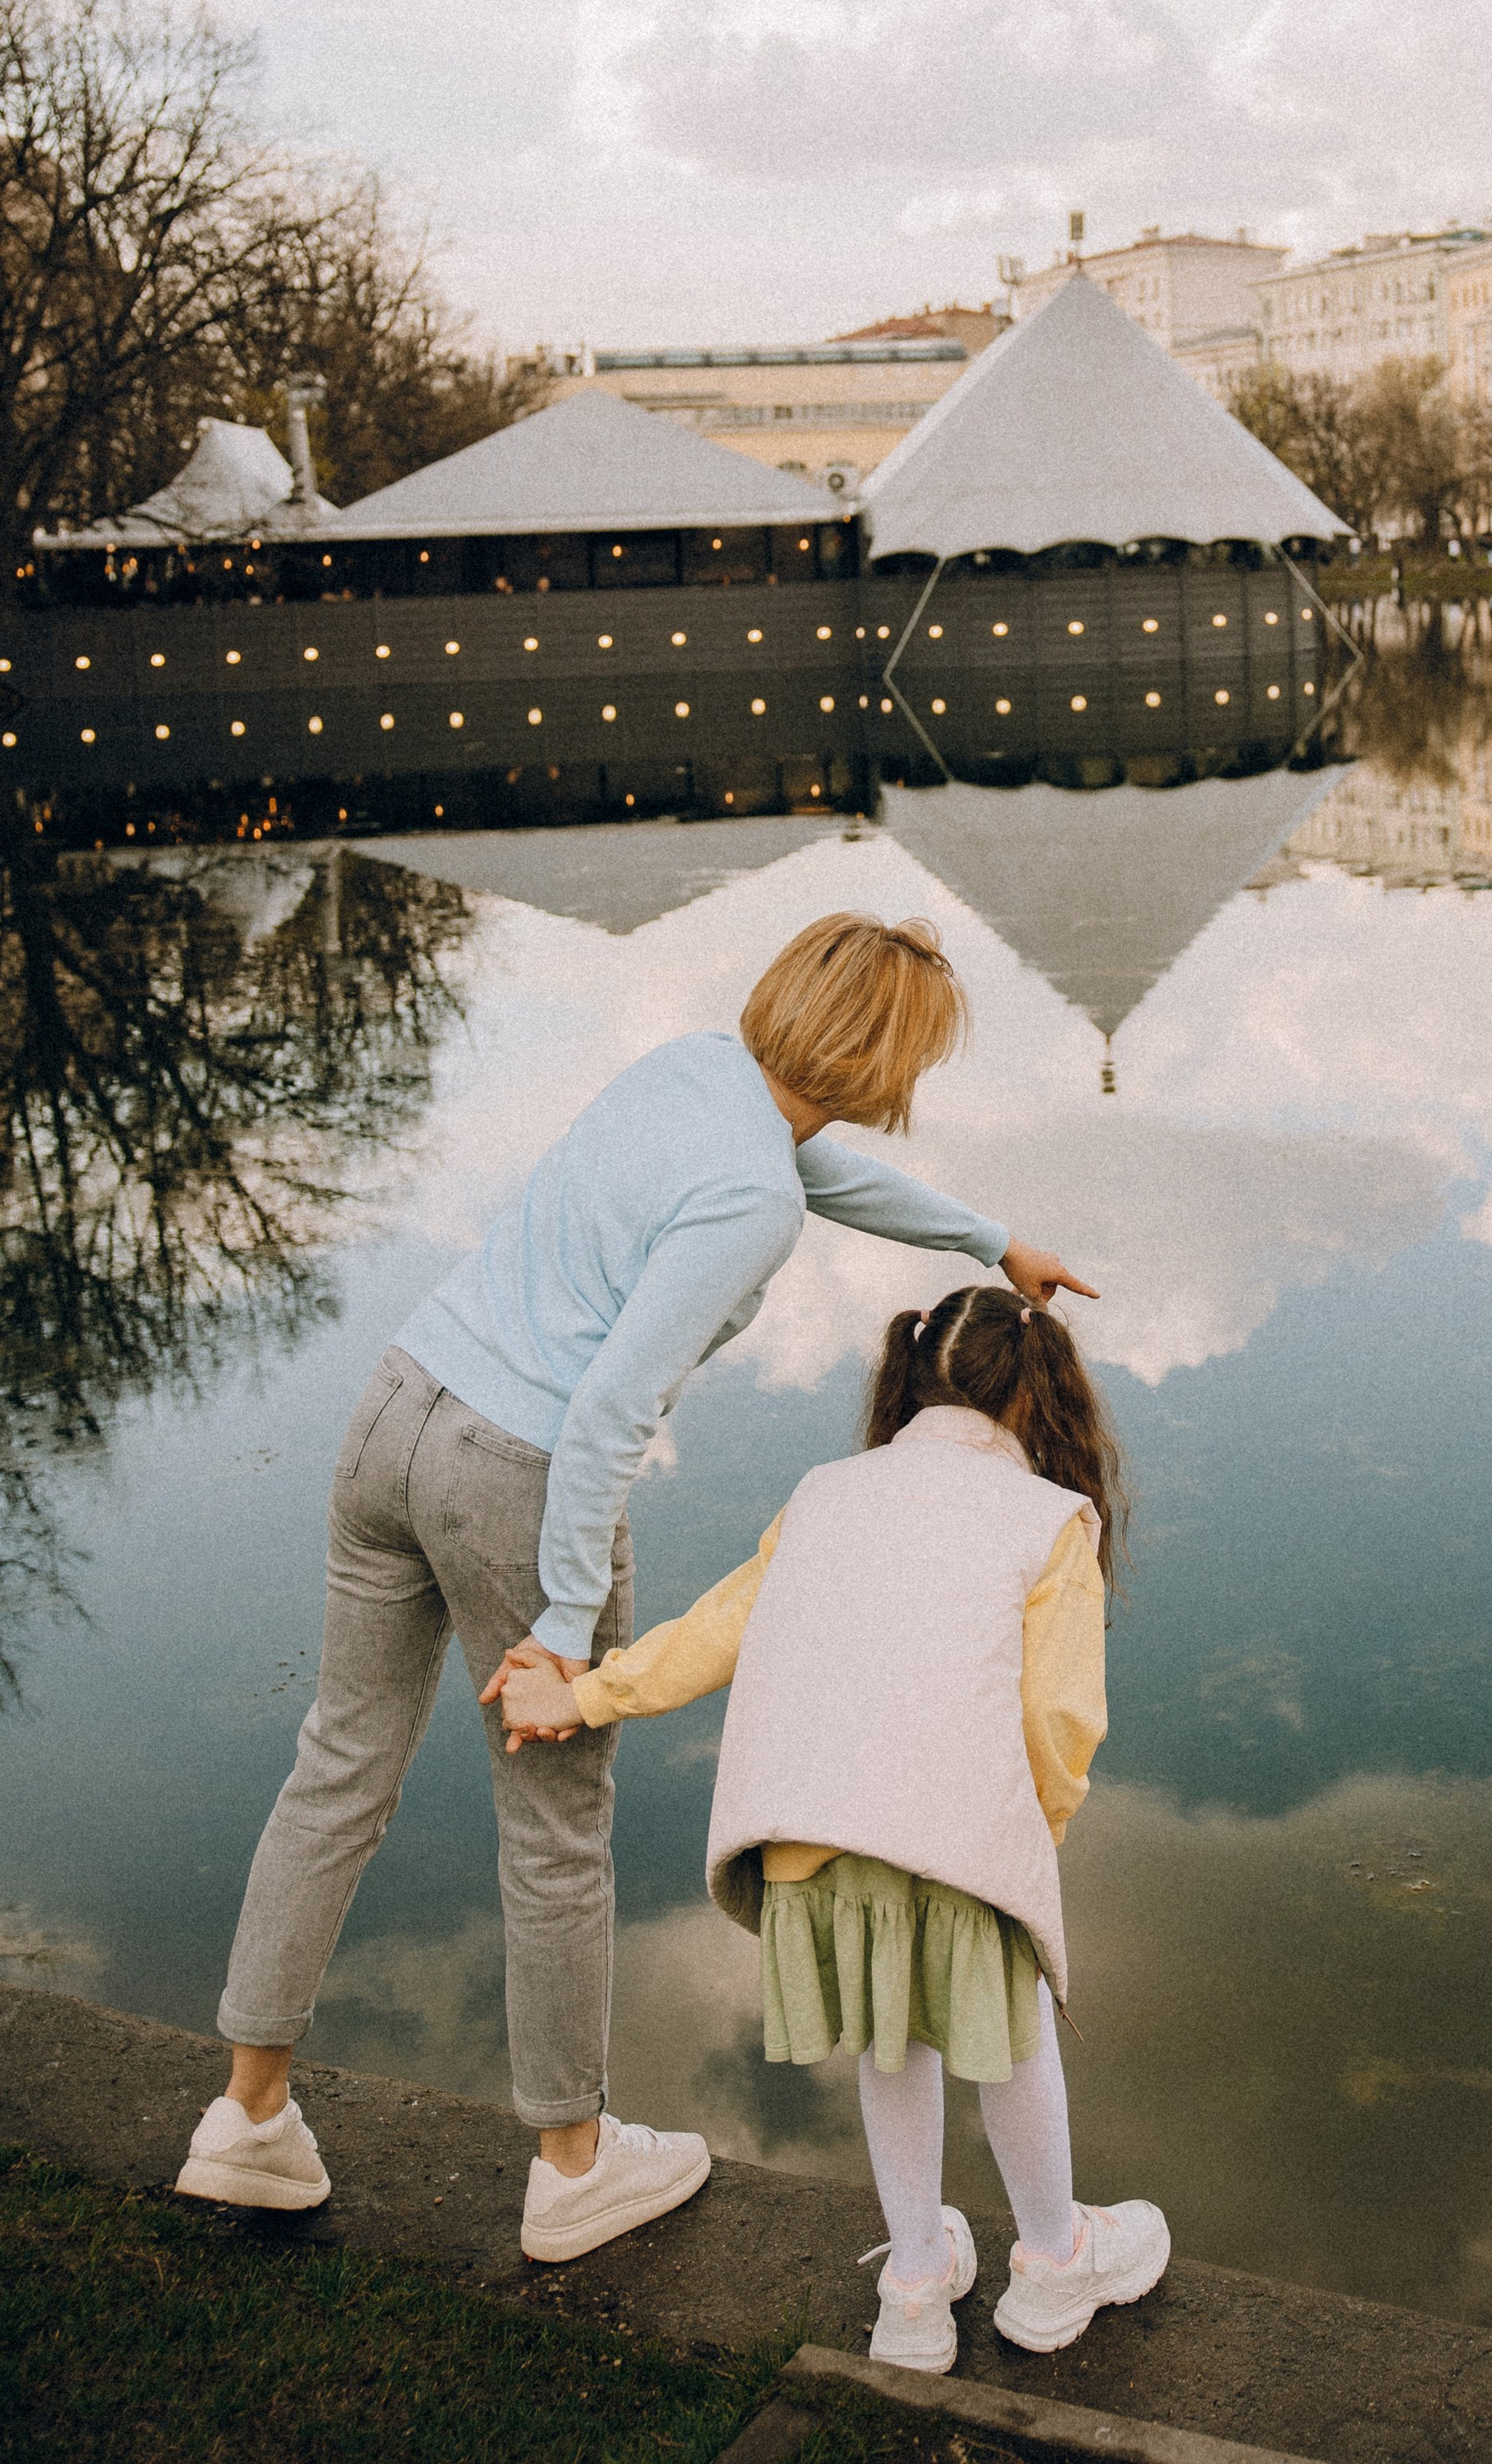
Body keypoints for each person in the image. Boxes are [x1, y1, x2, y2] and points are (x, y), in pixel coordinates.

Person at [177, 912, 1092, 2268]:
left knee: (339, 1767)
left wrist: (983, 1235)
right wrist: (559, 1626)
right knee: (555, 1821)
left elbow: (807, 1168)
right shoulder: (752, 1202)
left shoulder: (689, 1070)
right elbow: (610, 1408)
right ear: (879, 1059)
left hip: (400, 1405)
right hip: (516, 1469)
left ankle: (245, 2120)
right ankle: (572, 2165)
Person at [498, 1282, 1168, 2371]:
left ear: (907, 1381)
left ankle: (913, 2286)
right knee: (1011, 2044)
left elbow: (719, 1628)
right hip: (959, 1843)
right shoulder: (1051, 1520)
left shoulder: (824, 1493)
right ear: (1037, 1397)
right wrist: (1026, 1834)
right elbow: (1058, 1717)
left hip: (814, 1848)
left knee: (886, 2036)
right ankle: (1052, 2266)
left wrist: (581, 1696)